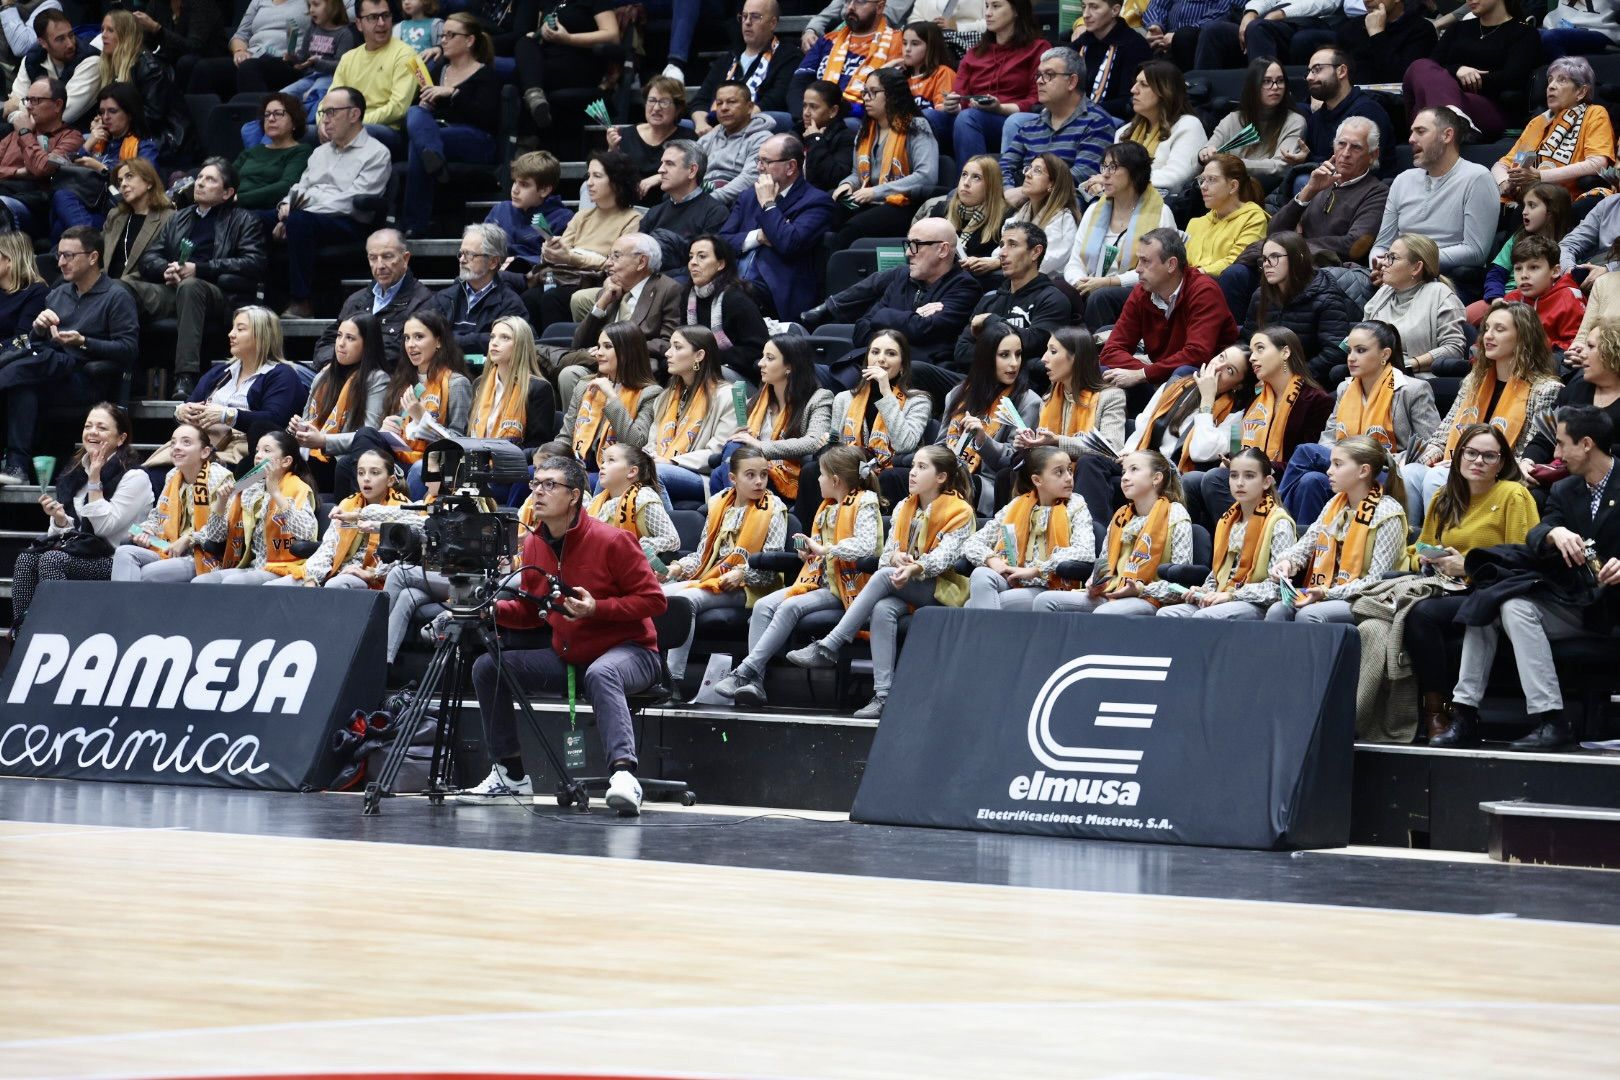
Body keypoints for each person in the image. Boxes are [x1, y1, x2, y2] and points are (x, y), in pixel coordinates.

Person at [458, 454, 667, 813]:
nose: (538, 492)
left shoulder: (613, 540)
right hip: (571, 655)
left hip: (633, 652)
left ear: (574, 496)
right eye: (535, 484)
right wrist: (491, 610)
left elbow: (655, 601)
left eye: (549, 485)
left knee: (603, 672)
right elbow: (531, 611)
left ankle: (623, 776)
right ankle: (511, 775)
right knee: (487, 667)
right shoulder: (534, 543)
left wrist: (597, 608)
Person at [1438, 406, 1620, 751]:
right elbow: (1538, 533)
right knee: (1497, 602)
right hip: (1575, 601)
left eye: (1561, 444)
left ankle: (1551, 718)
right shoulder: (1566, 490)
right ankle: (1467, 714)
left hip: (1612, 607)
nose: (1555, 454)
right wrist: (1556, 533)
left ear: (1585, 444)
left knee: (1508, 605)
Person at [788, 443, 974, 718]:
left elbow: (945, 559)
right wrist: (897, 559)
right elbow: (886, 555)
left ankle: (830, 645)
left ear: (941, 477)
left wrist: (914, 567)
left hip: (942, 588)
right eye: (913, 466)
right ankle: (884, 695)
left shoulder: (961, 511)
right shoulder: (903, 507)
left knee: (885, 575)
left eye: (922, 468)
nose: (912, 473)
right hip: (904, 583)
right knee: (882, 608)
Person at [712, 443, 882, 705]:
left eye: (822, 475)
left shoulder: (866, 501)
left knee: (789, 607)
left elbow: (866, 546)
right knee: (763, 606)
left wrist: (824, 549)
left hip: (849, 585)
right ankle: (755, 683)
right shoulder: (826, 506)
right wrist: (810, 552)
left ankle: (744, 672)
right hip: (820, 580)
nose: (817, 478)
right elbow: (822, 549)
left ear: (835, 480)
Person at [1403, 424, 1540, 741]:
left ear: (1501, 462)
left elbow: (1522, 559)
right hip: (1449, 588)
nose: (1478, 460)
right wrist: (1424, 557)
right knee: (1408, 611)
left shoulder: (1513, 495)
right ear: (1459, 454)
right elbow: (1419, 545)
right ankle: (1434, 710)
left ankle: (1436, 711)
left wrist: (1468, 564)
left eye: (1489, 455)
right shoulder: (1443, 498)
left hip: (1494, 593)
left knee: (1422, 614)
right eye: (1471, 452)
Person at [1403, 302, 1564, 525]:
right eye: (1487, 328)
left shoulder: (1546, 389)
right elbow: (1443, 435)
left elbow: (1529, 453)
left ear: (1523, 337)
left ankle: (1443, 548)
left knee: (1438, 477)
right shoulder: (1473, 380)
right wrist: (1427, 456)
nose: (1488, 335)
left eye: (1500, 329)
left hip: (1498, 475)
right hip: (1457, 466)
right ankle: (1415, 542)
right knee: (1410, 472)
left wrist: (1463, 465)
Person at [0, 227, 136, 486]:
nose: (60, 262)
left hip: (86, 377)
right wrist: (38, 328)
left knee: (29, 367)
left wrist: (84, 341)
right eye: (59, 256)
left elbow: (129, 350)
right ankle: (17, 467)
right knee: (21, 382)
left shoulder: (117, 296)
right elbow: (36, 342)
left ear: (93, 258)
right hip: (51, 372)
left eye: (68, 256)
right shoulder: (58, 293)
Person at [1280, 320, 1439, 524]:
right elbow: (1327, 439)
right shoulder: (1344, 389)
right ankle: (1307, 547)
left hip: (1385, 472)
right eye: (1350, 351)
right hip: (1346, 471)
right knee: (1310, 481)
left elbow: (1429, 446)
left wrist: (1384, 459)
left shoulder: (1413, 390)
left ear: (1385, 354)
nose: (1351, 358)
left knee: (1305, 452)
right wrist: (1344, 463)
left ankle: (1277, 520)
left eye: (1361, 350)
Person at [1223, 116, 1386, 315]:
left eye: (1356, 148)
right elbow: (1275, 230)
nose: (1345, 153)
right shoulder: (1319, 180)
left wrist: (1297, 245)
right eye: (1341, 144)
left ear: (1372, 154)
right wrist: (1309, 191)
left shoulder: (1376, 192)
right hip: (1288, 261)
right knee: (1235, 275)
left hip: (1324, 269)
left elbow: (1354, 247)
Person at [128, 159, 265, 396]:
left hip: (217, 293)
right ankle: (128, 372)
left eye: (210, 179)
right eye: (200, 177)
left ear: (227, 192)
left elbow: (254, 263)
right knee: (123, 286)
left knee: (191, 286)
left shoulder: (244, 219)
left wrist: (201, 269)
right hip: (172, 288)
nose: (200, 183)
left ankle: (185, 377)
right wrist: (165, 269)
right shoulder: (178, 217)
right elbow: (150, 256)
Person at [10, 403, 151, 631]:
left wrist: (95, 481)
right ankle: (23, 634)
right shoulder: (75, 472)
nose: (92, 432)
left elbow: (105, 528)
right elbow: (74, 536)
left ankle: (59, 631)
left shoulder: (135, 477)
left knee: (52, 560)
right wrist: (59, 519)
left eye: (102, 428)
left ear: (121, 438)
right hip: (81, 552)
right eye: (88, 426)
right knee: (26, 559)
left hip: (116, 557)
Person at [660, 444, 788, 683]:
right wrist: (676, 569)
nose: (759, 481)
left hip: (748, 587)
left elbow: (772, 566)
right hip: (712, 578)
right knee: (654, 594)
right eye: (750, 475)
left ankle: (672, 682)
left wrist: (743, 575)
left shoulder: (775, 508)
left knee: (685, 601)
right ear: (733, 478)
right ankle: (651, 672)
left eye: (763, 474)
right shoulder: (719, 504)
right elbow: (702, 556)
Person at [1182, 325, 1334, 523]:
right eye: (1252, 351)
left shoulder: (1316, 400)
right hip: (1249, 476)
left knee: (1213, 478)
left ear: (1285, 352)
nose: (1253, 357)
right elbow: (1236, 443)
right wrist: (1231, 459)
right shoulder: (1253, 398)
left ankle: (1252, 540)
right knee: (1192, 480)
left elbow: (1307, 461)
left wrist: (1262, 467)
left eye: (1260, 349)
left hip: (1282, 480)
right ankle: (1224, 545)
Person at [801, 216, 982, 375]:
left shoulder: (965, 287)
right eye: (908, 244)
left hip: (918, 375)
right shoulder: (903, 277)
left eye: (916, 245)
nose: (908, 252)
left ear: (942, 250)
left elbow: (924, 330)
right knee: (811, 372)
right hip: (873, 368)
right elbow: (862, 329)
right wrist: (912, 320)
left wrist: (884, 317)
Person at [1267, 433, 1409, 624]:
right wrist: (1287, 562)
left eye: (1337, 464)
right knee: (1278, 610)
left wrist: (1327, 593)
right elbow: (1306, 544)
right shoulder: (1335, 503)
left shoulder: (1388, 512)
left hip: (1367, 599)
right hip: (1326, 590)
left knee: (1309, 615)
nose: (1329, 471)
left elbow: (1376, 583)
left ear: (1363, 471)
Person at [277, 86, 392, 319]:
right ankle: (264, 303)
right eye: (323, 113)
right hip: (306, 215)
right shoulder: (320, 152)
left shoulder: (377, 153)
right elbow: (300, 186)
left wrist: (298, 210)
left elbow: (350, 201)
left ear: (354, 114)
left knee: (298, 222)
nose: (325, 120)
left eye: (331, 112)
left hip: (348, 222)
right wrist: (284, 206)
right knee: (258, 219)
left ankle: (301, 301)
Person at [1034, 448, 1193, 615]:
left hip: (1149, 598)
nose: (1124, 477)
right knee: (1045, 601)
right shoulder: (1121, 516)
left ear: (1156, 478)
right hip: (1111, 591)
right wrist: (1094, 583)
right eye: (1124, 471)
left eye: (1134, 469)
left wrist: (1139, 589)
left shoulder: (1176, 513)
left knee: (1106, 613)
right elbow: (1103, 564)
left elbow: (1179, 585)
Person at [1369, 107, 1497, 297]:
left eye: (1420, 131)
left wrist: (1411, 262)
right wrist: (1379, 264)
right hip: (1395, 277)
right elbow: (1382, 243)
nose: (1411, 139)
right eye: (1412, 132)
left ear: (1447, 135)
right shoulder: (1403, 180)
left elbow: (1475, 251)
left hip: (1443, 282)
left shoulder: (1477, 178)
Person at [1159, 447, 1297, 621]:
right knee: (1167, 614)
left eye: (1249, 476)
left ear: (1266, 482)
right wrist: (1203, 591)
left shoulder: (1279, 523)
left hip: (1257, 603)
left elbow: (1278, 588)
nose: (1239, 483)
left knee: (1204, 616)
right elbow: (1216, 576)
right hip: (1225, 596)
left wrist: (1232, 595)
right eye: (1234, 475)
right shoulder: (1227, 521)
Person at [1100, 227, 1239, 393]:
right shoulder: (1142, 291)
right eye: (1138, 261)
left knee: (1178, 373)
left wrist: (1144, 374)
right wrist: (1146, 373)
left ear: (1171, 264)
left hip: (1202, 381)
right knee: (1105, 370)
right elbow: (1111, 351)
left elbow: (1197, 355)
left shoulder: (1204, 291)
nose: (1137, 269)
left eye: (1145, 261)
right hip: (1163, 373)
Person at [400, 12, 500, 237]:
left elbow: (487, 117)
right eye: (443, 35)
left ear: (469, 40)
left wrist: (453, 93)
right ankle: (432, 155)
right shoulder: (438, 70)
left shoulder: (487, 74)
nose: (442, 40)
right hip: (439, 133)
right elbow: (423, 114)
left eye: (450, 35)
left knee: (420, 146)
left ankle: (415, 224)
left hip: (477, 140)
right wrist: (427, 103)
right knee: (416, 112)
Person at [345, 309, 474, 481]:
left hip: (432, 464)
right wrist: (387, 429)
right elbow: (398, 428)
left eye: (419, 337)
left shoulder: (457, 383)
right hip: (400, 457)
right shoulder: (403, 381)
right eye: (407, 338)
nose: (410, 344)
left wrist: (423, 419)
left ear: (438, 341)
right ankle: (357, 503)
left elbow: (459, 443)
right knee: (360, 443)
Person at [552, 232, 683, 402]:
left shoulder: (668, 290)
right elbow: (579, 343)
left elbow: (668, 342)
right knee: (569, 374)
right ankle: (578, 428)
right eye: (609, 256)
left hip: (635, 367)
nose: (608, 263)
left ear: (641, 262)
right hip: (600, 364)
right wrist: (601, 305)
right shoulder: (610, 291)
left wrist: (619, 347)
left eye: (616, 256)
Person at [169, 305, 304, 466]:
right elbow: (191, 404)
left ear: (261, 336)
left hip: (248, 453)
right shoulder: (219, 372)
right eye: (233, 328)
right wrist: (182, 412)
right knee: (151, 474)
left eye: (240, 329)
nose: (231, 334)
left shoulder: (282, 374)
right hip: (201, 447)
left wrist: (227, 415)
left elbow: (273, 421)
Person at [964, 444, 1097, 609]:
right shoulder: (1017, 505)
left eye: (1070, 470)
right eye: (1059, 472)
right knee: (981, 574)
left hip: (1047, 584)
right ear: (1037, 480)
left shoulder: (1076, 505)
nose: (1069, 477)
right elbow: (972, 542)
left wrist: (1036, 570)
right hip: (1013, 578)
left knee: (971, 606)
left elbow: (1085, 551)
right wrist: (994, 561)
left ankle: (987, 633)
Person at [720, 132, 836, 320]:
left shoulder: (817, 202)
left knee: (732, 295)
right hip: (734, 278)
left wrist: (768, 204)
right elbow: (722, 242)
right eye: (758, 160)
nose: (759, 168)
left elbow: (788, 244)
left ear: (790, 167)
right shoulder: (748, 196)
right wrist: (759, 236)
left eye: (765, 162)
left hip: (776, 289)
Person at [524, 151, 643, 330]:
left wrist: (570, 257)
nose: (589, 182)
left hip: (595, 281)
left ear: (616, 182)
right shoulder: (582, 216)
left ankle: (556, 351)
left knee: (553, 298)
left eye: (597, 176)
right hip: (566, 278)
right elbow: (564, 249)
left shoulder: (632, 219)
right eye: (588, 175)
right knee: (529, 297)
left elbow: (614, 263)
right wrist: (551, 251)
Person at [947, 222, 1069, 397]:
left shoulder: (1053, 299)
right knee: (919, 372)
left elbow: (1035, 345)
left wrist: (990, 321)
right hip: (975, 382)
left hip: (1022, 389)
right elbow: (962, 353)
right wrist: (1007, 356)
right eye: (1002, 245)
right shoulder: (990, 299)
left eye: (1012, 245)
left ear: (1035, 252)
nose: (1002, 253)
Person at [1066, 141, 1176, 328]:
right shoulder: (1093, 211)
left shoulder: (1161, 213)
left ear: (1135, 172)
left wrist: (1108, 282)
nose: (1105, 174)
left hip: (1139, 290)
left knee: (1101, 296)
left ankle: (1099, 353)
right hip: (1091, 286)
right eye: (1104, 166)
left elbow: (1159, 269)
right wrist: (1081, 282)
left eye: (1113, 167)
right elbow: (1074, 262)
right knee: (1057, 289)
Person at [113, 420, 235, 584]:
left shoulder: (220, 477)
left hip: (202, 554)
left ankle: (130, 609)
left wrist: (189, 538)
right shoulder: (172, 475)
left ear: (205, 452)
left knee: (148, 573)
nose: (176, 447)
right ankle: (124, 610)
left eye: (186, 442)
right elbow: (157, 516)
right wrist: (146, 530)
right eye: (173, 443)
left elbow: (223, 530)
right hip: (167, 546)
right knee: (123, 553)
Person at [715, 333, 834, 499]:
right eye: (763, 357)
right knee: (729, 456)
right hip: (754, 473)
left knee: (727, 463)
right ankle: (736, 507)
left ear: (789, 366)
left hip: (786, 476)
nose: (760, 363)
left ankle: (733, 507)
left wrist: (760, 446)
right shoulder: (757, 400)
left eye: (769, 358)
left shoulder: (819, 398)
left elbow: (814, 441)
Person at [830, 67, 939, 249]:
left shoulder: (916, 126)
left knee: (853, 229)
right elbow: (857, 175)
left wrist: (876, 192)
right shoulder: (866, 131)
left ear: (892, 95)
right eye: (865, 92)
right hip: (868, 201)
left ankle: (833, 276)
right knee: (825, 212)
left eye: (873, 92)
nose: (866, 98)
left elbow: (926, 176)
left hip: (903, 205)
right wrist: (846, 185)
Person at [192, 429, 319, 585]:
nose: (258, 455)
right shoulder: (248, 489)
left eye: (267, 451)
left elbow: (306, 532)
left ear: (286, 461)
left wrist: (275, 493)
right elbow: (215, 537)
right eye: (257, 450)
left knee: (232, 583)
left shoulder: (297, 488)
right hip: (252, 566)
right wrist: (221, 501)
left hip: (283, 568)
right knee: (201, 582)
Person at [278, 448, 415, 589]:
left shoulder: (404, 508)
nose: (366, 478)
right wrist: (312, 578)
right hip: (335, 572)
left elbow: (406, 559)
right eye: (361, 473)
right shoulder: (347, 504)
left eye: (375, 473)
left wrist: (373, 574)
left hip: (374, 579)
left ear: (390, 480)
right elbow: (328, 548)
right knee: (275, 587)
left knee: (336, 585)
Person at [1404, 0, 1539, 143]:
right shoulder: (1458, 28)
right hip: (1442, 100)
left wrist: (1466, 79)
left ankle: (1451, 119)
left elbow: (1513, 77)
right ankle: (1454, 118)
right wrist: (1457, 70)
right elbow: (1433, 66)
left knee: (1428, 99)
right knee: (1420, 65)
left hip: (1491, 106)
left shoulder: (1524, 33)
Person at [937, 327, 1040, 510]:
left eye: (1018, 354)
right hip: (949, 473)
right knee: (899, 476)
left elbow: (1012, 460)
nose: (1014, 363)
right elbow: (940, 446)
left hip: (989, 485)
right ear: (986, 358)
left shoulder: (1029, 402)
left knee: (958, 484)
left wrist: (983, 440)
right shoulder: (957, 394)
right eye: (1004, 355)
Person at [828, 329, 934, 506]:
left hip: (890, 473)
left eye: (891, 353)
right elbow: (835, 447)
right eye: (875, 352)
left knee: (889, 477)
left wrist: (886, 392)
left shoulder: (918, 400)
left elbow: (904, 444)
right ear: (867, 358)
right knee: (813, 470)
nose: (881, 359)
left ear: (902, 366)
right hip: (850, 471)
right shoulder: (844, 399)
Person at [290, 313, 392, 497]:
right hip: (309, 456)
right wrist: (296, 429)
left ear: (367, 344)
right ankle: (239, 505)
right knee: (265, 438)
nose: (341, 343)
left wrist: (323, 441)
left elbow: (369, 436)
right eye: (339, 336)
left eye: (350, 338)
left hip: (338, 461)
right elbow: (307, 420)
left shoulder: (377, 380)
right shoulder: (324, 375)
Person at [999, 47, 1115, 204]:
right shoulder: (1032, 125)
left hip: (1062, 203)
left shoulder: (1097, 122)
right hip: (1022, 199)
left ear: (1072, 82)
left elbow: (1082, 174)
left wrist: (1026, 192)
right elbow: (1004, 165)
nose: (1039, 81)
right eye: (1039, 75)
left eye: (1049, 75)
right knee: (959, 194)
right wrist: (1007, 191)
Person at [1492, 58, 1613, 205]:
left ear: (1581, 92)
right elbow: (1502, 165)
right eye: (1550, 80)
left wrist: (1540, 176)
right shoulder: (1538, 122)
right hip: (1519, 199)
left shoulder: (1594, 114)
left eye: (1561, 80)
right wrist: (1504, 183)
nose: (1551, 86)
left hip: (1563, 202)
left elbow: (1597, 163)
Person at [641, 326, 740, 503]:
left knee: (654, 473)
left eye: (677, 347)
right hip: (662, 465)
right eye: (670, 346)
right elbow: (652, 442)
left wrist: (671, 461)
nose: (668, 354)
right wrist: (647, 459)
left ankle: (667, 530)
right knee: (620, 469)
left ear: (699, 356)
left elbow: (718, 452)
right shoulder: (665, 397)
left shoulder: (727, 396)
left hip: (701, 476)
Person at [312, 228, 434, 370]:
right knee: (289, 372)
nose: (380, 265)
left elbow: (399, 355)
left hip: (385, 383)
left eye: (387, 256)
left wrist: (348, 365)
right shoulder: (356, 300)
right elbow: (326, 342)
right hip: (340, 375)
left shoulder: (423, 302)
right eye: (373, 258)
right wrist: (330, 364)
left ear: (405, 258)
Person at [1244, 232, 1357, 382]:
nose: (1266, 264)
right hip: (1264, 375)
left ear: (1298, 258)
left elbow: (1335, 351)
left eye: (1275, 257)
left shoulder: (1326, 298)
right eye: (1264, 259)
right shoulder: (1260, 295)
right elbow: (1247, 339)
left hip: (1307, 380)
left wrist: (1294, 377)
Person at [938, 0, 1043, 162]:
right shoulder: (975, 52)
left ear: (1016, 10)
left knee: (968, 118)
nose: (987, 13)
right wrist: (954, 104)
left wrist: (1000, 108)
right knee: (925, 118)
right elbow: (959, 94)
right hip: (969, 117)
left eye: (996, 6)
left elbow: (1038, 100)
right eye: (986, 6)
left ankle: (974, 185)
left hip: (1011, 121)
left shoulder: (1038, 48)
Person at [50, 83, 157, 235]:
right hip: (92, 202)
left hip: (119, 208)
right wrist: (89, 144)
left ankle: (90, 244)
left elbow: (145, 180)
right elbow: (73, 171)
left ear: (129, 113)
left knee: (62, 198)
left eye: (112, 111)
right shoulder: (101, 140)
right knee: (59, 221)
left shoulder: (144, 146)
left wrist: (101, 168)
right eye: (102, 112)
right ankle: (83, 247)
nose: (106, 117)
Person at [327, 0, 432, 155]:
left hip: (388, 130)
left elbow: (398, 108)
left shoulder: (406, 55)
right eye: (373, 17)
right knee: (307, 132)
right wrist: (324, 121)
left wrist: (354, 124)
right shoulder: (348, 58)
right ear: (359, 24)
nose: (382, 23)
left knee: (359, 134)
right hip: (348, 124)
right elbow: (330, 99)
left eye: (386, 15)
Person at [559, 322, 661, 476]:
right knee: (533, 473)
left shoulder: (650, 393)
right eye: (599, 346)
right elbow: (566, 437)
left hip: (613, 473)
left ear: (627, 351)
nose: (599, 353)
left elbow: (636, 444)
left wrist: (612, 397)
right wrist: (551, 461)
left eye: (607, 346)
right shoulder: (585, 385)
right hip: (576, 465)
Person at [1363, 234, 1469, 379]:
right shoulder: (1384, 292)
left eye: (1393, 258)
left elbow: (1453, 348)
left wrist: (1408, 365)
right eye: (1386, 256)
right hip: (1374, 375)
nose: (1384, 263)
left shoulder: (1439, 293)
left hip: (1416, 380)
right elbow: (1362, 334)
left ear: (1416, 267)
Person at [1015, 328, 1128, 460]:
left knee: (1087, 462)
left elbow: (1112, 448)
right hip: (1053, 473)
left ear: (1076, 358)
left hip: (1087, 474)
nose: (1044, 359)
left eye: (1053, 351)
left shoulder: (1111, 397)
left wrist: (1057, 441)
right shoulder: (1048, 398)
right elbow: (1045, 449)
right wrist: (1031, 443)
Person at [691, 0, 801, 132]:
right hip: (715, 128)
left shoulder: (789, 56)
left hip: (756, 126)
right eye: (744, 16)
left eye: (755, 17)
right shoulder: (727, 60)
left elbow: (776, 98)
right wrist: (701, 124)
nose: (747, 22)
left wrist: (732, 123)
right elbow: (700, 100)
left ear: (772, 23)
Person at [511, 0, 619, 131]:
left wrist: (569, 39)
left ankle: (529, 135)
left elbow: (612, 36)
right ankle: (535, 98)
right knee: (524, 42)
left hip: (580, 62)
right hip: (549, 58)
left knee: (521, 76)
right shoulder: (550, 3)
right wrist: (539, 34)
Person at [1528, 323, 1620, 474]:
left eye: (1590, 346)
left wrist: (1589, 450)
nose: (1582, 354)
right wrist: (1528, 461)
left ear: (1613, 353)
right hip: (1563, 480)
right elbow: (1546, 435)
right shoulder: (1577, 386)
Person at [1199, 59, 1309, 183]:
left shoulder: (1295, 121)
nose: (1275, 87)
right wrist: (1204, 153)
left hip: (1267, 191)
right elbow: (1209, 149)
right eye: (1267, 81)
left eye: (1280, 81)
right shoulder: (1234, 118)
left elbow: (1281, 166)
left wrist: (1231, 164)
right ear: (1253, 86)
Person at [466, 314, 558, 461]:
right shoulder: (479, 384)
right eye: (492, 337)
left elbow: (538, 447)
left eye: (505, 338)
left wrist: (498, 456)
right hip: (475, 464)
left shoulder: (538, 388)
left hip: (511, 468)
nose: (494, 343)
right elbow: (468, 433)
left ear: (521, 345)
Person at [0, 76, 84, 234]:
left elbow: (42, 168)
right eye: (28, 100)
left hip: (34, 205)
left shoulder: (71, 137)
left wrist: (25, 133)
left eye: (36, 100)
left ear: (57, 105)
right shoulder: (14, 134)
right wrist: (17, 172)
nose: (29, 107)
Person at [681, 234, 768, 383]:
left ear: (720, 264)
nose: (693, 263)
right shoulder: (688, 296)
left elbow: (758, 350)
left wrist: (709, 356)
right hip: (701, 365)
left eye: (701, 256)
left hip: (740, 376)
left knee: (703, 374)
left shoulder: (736, 299)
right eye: (691, 257)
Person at [792, 0, 906, 113]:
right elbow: (799, 82)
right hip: (814, 116)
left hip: (859, 121)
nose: (850, 7)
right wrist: (803, 117)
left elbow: (887, 97)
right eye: (847, 1)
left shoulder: (896, 42)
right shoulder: (828, 40)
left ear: (880, 7)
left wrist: (830, 115)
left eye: (859, 2)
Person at [434, 222, 527, 358]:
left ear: (493, 262)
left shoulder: (510, 303)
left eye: (470, 254)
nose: (462, 260)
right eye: (461, 254)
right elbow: (427, 335)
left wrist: (450, 340)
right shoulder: (443, 298)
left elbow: (513, 343)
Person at [1479, 183, 1573, 317]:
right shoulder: (1517, 238)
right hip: (1503, 298)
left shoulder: (1569, 245)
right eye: (1524, 206)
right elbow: (1496, 274)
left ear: (1552, 211)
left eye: (1532, 205)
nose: (1524, 212)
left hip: (1541, 305)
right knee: (1465, 316)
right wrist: (1496, 299)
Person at [640, 143, 732, 276]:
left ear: (692, 170)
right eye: (662, 163)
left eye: (669, 164)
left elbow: (704, 266)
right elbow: (635, 254)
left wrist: (654, 279)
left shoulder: (715, 212)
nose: (660, 170)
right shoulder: (654, 211)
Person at [1300, 48, 1394, 177]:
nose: (1309, 77)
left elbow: (1361, 168)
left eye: (1317, 69)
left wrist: (1310, 160)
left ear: (1341, 71)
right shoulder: (1316, 118)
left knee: (1302, 180)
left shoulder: (1368, 112)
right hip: (1330, 188)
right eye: (1309, 72)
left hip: (1367, 191)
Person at [1116, 60, 1204, 196]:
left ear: (1165, 91)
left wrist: (1120, 180)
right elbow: (1110, 173)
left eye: (1143, 84)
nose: (1133, 90)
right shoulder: (1123, 132)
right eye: (1135, 82)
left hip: (1165, 209)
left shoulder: (1188, 126)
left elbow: (1175, 178)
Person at [917, 153, 1012, 277]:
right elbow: (919, 248)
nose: (966, 183)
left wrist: (996, 262)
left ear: (991, 186)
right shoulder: (941, 210)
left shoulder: (1005, 217)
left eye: (976, 177)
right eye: (964, 175)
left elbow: (1014, 256)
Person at [583, 443, 681, 561]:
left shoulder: (644, 499)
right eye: (603, 461)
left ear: (632, 471)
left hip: (637, 570)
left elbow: (672, 540)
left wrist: (636, 547)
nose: (602, 466)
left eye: (611, 460)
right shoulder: (596, 501)